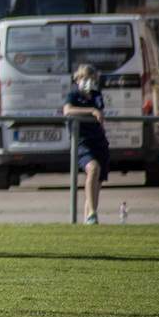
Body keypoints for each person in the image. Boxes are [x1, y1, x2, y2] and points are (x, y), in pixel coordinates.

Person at [62, 64, 108, 225]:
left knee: (97, 181)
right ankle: (93, 213)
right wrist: (91, 111)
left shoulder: (96, 95)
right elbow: (67, 110)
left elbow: (100, 111)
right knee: (93, 169)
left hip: (99, 141)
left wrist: (97, 111)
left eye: (91, 78)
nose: (88, 82)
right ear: (78, 79)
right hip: (83, 142)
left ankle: (89, 218)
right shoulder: (73, 95)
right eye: (85, 78)